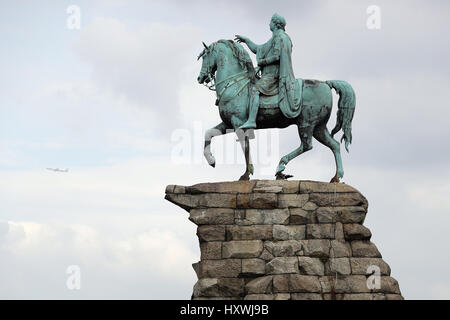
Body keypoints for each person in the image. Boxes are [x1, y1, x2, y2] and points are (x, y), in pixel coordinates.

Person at [235, 13, 301, 129]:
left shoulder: (280, 38)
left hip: (274, 76)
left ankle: (251, 120)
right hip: (270, 74)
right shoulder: (275, 38)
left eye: (270, 21)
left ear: (275, 24)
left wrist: (262, 62)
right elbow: (258, 49)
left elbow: (276, 56)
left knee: (255, 89)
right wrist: (247, 40)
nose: (268, 23)